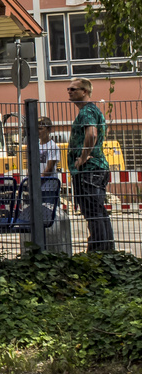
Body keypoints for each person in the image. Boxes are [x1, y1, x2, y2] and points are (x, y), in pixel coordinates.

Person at [67, 78, 115, 252]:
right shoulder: (95, 111)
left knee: (93, 213)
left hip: (89, 170)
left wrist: (83, 157)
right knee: (98, 211)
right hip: (97, 168)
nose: (69, 92)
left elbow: (92, 134)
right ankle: (106, 250)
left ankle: (98, 252)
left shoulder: (87, 111)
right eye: (68, 89)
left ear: (84, 91)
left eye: (73, 89)